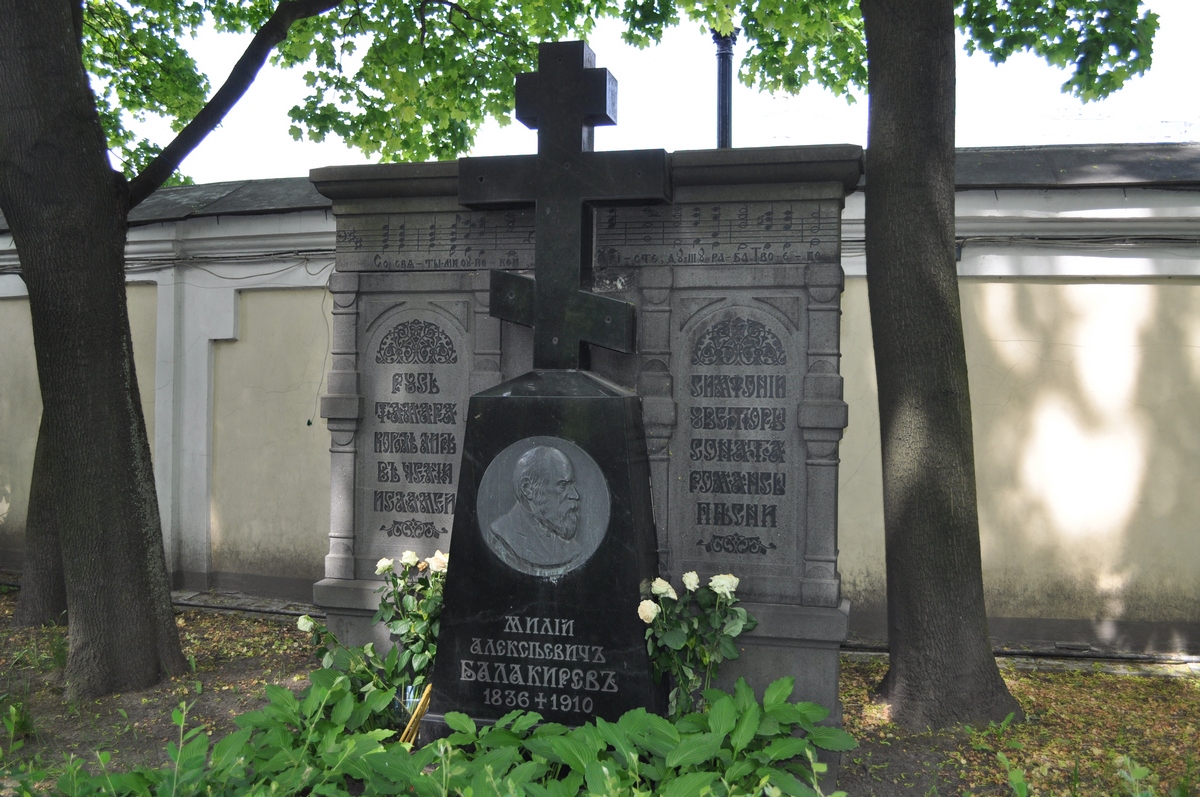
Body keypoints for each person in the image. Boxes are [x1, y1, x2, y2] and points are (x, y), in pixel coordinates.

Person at [486, 445, 583, 576]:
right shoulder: (502, 535)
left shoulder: (572, 548)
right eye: (563, 485)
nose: (575, 495)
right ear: (528, 489)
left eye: (572, 485)